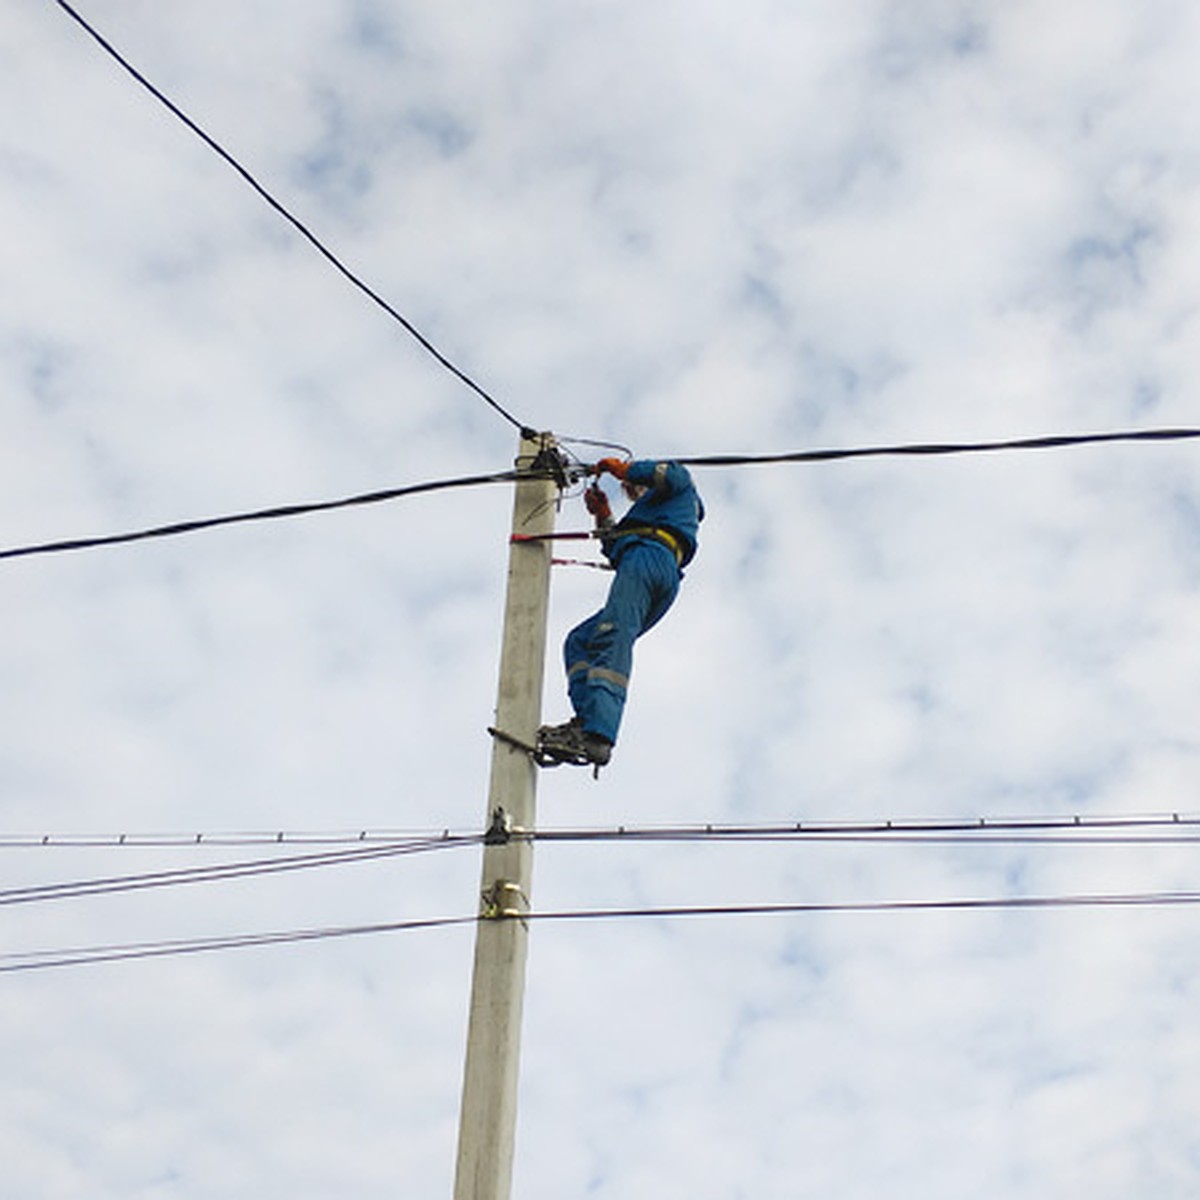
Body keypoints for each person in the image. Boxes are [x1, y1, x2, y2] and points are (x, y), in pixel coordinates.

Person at [538, 456, 704, 770]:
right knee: (581, 640)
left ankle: (598, 734)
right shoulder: (651, 516)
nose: (631, 491)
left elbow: (665, 473)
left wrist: (620, 469)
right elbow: (614, 548)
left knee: (612, 634)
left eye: (632, 488)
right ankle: (586, 723)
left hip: (650, 560)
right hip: (647, 565)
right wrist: (602, 516)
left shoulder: (681, 488)